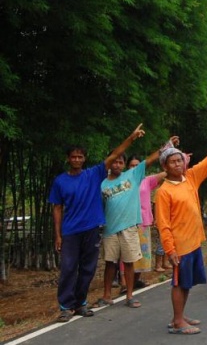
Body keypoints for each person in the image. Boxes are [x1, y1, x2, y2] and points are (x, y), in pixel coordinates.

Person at [49, 124, 146, 323]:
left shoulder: (93, 174)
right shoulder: (60, 181)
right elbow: (57, 208)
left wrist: (131, 138)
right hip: (70, 231)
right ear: (68, 159)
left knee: (88, 268)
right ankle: (66, 306)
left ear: (84, 159)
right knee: (68, 268)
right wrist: (57, 235)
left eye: (80, 156)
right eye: (73, 157)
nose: (76, 159)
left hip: (91, 229)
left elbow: (116, 153)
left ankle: (81, 302)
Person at [156, 132, 207, 335]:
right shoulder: (164, 191)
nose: (177, 164)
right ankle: (177, 322)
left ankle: (179, 315)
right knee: (179, 283)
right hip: (180, 245)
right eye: (172, 162)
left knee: (187, 283)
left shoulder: (190, 178)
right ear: (165, 167)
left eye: (179, 160)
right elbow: (163, 224)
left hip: (194, 242)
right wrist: (170, 249)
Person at [95, 136, 175, 309]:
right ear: (109, 164)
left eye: (120, 162)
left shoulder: (132, 175)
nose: (117, 164)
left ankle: (129, 296)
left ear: (124, 165)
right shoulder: (100, 184)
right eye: (114, 162)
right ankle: (106, 295)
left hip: (130, 227)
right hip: (110, 229)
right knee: (110, 263)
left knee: (130, 262)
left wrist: (167, 147)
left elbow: (150, 160)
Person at [126, 154, 169, 288]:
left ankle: (135, 281)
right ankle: (125, 284)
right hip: (127, 223)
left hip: (143, 222)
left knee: (142, 255)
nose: (135, 168)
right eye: (132, 165)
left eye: (137, 166)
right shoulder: (123, 181)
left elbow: (166, 172)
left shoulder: (147, 181)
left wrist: (180, 157)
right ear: (127, 167)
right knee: (128, 256)